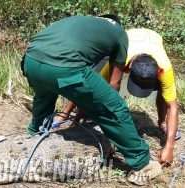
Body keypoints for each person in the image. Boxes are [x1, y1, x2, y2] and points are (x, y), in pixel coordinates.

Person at [22, 15, 161, 185]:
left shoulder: (81, 20)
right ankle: (142, 164)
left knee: (44, 99)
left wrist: (84, 100)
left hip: (31, 61)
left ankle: (32, 137)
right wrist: (102, 107)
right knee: (115, 107)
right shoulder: (120, 33)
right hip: (64, 67)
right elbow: (114, 83)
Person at [56, 28, 180, 166]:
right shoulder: (120, 59)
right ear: (130, 67)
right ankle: (68, 112)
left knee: (166, 92)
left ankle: (162, 122)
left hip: (153, 40)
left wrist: (169, 147)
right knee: (97, 81)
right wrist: (70, 114)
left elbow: (172, 106)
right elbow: (93, 85)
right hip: (129, 38)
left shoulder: (164, 67)